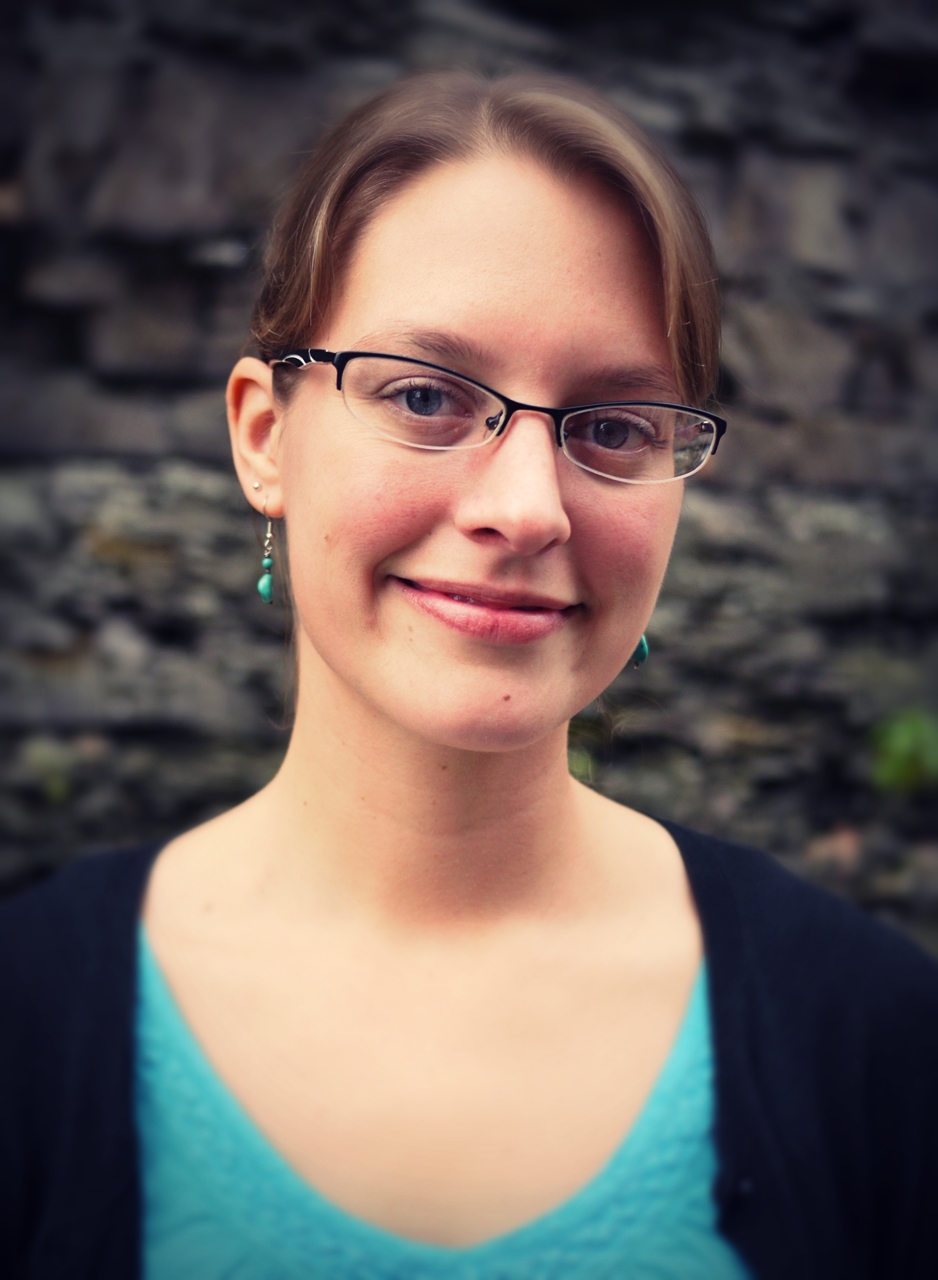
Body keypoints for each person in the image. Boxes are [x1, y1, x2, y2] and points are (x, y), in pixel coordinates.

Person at [1, 71, 936, 1280]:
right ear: (263, 435)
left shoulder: (872, 1043)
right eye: (427, 396)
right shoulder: (25, 1023)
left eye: (613, 425)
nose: (523, 507)